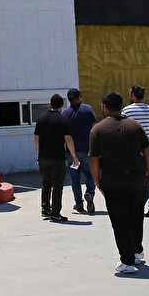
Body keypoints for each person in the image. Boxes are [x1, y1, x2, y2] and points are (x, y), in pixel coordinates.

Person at [89, 91, 149, 274]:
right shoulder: (135, 127)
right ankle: (136, 252)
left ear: (105, 107)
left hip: (114, 181)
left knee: (120, 221)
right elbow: (148, 153)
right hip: (138, 180)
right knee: (136, 217)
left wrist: (97, 183)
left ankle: (127, 261)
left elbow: (94, 160)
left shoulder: (98, 130)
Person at [34, 93, 76, 222]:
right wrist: (74, 156)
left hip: (43, 157)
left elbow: (37, 138)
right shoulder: (63, 119)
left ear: (50, 104)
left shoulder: (41, 118)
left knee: (46, 182)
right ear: (62, 105)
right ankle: (55, 212)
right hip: (57, 157)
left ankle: (45, 209)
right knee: (58, 185)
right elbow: (68, 138)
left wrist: (38, 155)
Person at [122, 85, 149, 218]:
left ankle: (133, 204)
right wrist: (148, 137)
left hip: (132, 150)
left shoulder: (126, 111)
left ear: (133, 95)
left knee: (132, 177)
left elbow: (123, 130)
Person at [60, 88, 97, 214]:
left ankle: (79, 204)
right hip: (87, 150)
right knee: (90, 175)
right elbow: (94, 128)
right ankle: (90, 193)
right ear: (79, 97)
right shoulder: (88, 109)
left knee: (75, 178)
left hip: (72, 153)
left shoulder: (64, 113)